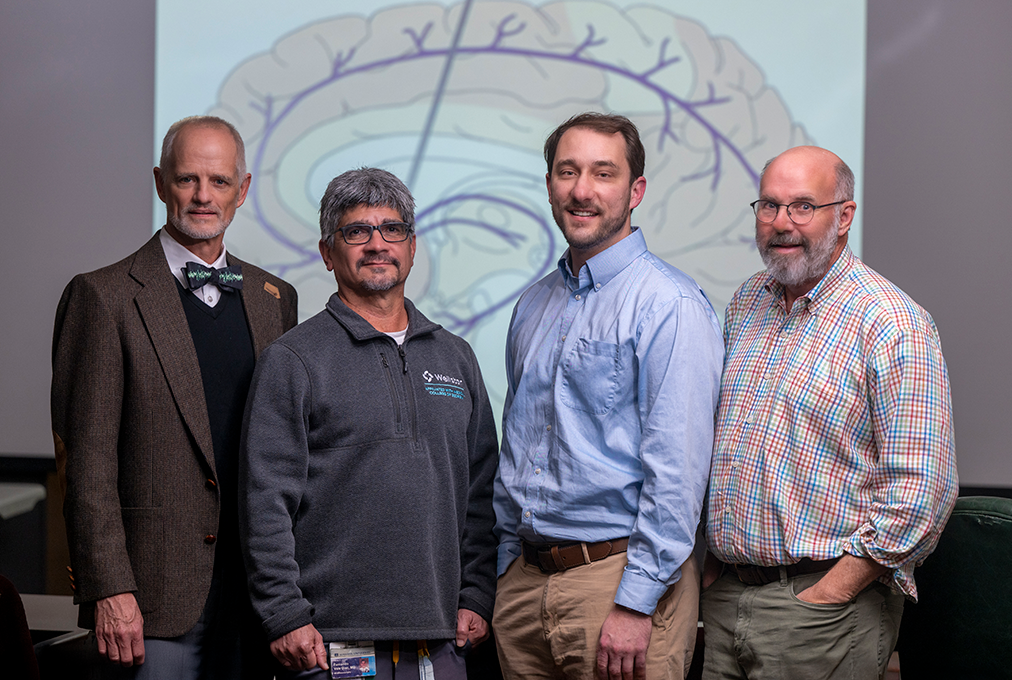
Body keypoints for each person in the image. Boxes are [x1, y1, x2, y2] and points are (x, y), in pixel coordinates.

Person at [51, 115, 298, 678]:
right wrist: (110, 588)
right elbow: (85, 462)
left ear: (244, 189)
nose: (203, 196)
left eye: (218, 181)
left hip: (258, 595)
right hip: (151, 602)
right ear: (161, 182)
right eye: (188, 179)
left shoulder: (273, 298)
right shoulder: (103, 297)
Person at [701, 146, 958, 679]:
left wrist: (829, 592)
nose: (780, 224)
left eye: (801, 207)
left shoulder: (892, 322)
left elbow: (923, 489)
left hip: (821, 610)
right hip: (726, 602)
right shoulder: (748, 302)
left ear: (844, 216)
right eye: (768, 206)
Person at [239, 167, 499, 680]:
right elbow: (264, 502)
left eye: (392, 229)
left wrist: (477, 595)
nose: (377, 244)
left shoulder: (456, 356)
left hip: (443, 638)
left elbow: (481, 492)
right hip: (329, 643)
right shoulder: (293, 360)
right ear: (327, 252)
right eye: (357, 231)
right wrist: (284, 615)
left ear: (412, 245)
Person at [492, 112, 724, 680]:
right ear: (549, 184)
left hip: (616, 585)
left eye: (603, 173)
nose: (582, 190)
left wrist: (636, 599)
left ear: (635, 190)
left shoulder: (668, 304)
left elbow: (679, 468)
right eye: (567, 172)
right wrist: (503, 569)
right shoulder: (532, 305)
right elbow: (517, 446)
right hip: (523, 586)